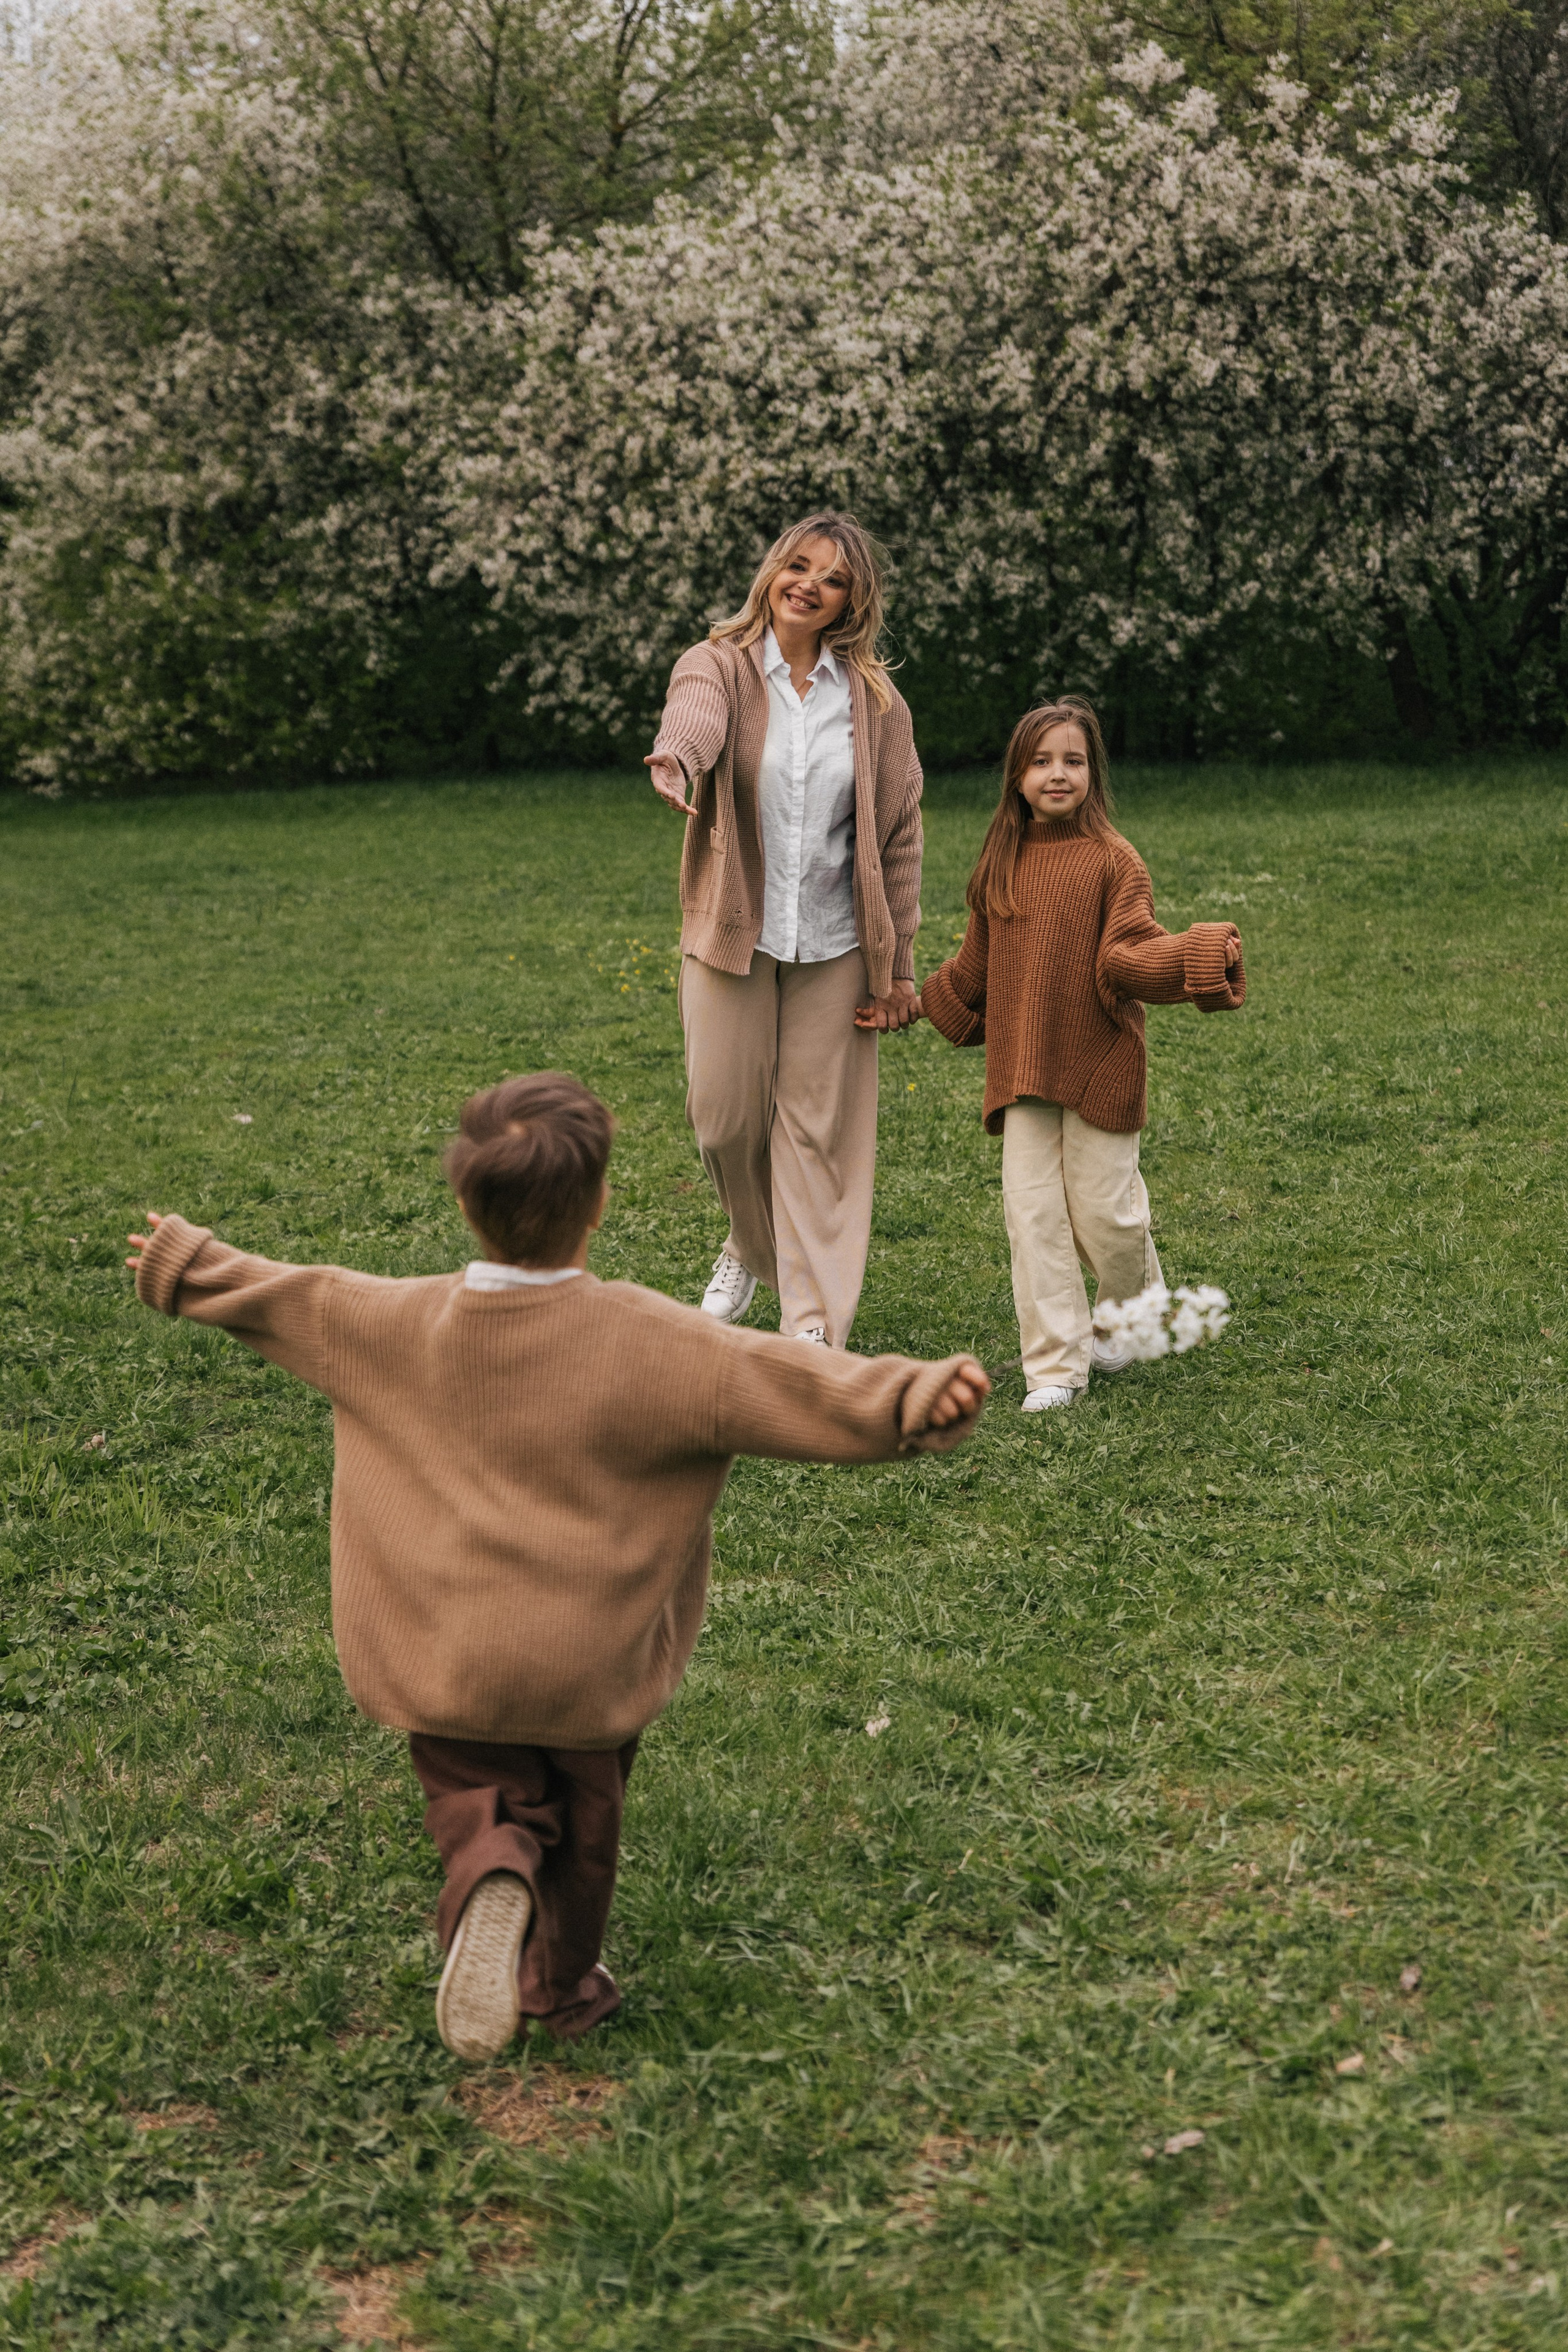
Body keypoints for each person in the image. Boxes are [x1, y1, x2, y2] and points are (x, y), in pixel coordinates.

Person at [125, 1072, 989, 2059]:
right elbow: (796, 1382)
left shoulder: (379, 1320)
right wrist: (911, 1398)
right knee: (583, 1836)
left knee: (474, 1796)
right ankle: (563, 1984)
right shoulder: (666, 1344)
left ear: (463, 1202)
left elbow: (279, 1293)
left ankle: (492, 1863)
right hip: (589, 1665)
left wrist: (185, 1264)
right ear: (601, 1205)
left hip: (449, 1661)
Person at [918, 699, 1245, 1414]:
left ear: (1093, 773)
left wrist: (1193, 956)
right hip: (1022, 1068)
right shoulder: (999, 860)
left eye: (1072, 760)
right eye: (1041, 761)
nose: (1057, 774)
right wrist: (913, 1001)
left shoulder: (1112, 860)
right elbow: (976, 971)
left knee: (1108, 1218)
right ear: (1016, 776)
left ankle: (1131, 1308)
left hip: (1099, 1062)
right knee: (1032, 1217)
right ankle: (1055, 1369)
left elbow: (1129, 952)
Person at [646, 511, 924, 1350]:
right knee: (723, 1120)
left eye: (832, 577)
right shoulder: (720, 666)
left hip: (838, 945)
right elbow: (696, 716)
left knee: (818, 1136)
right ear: (773, 572)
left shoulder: (875, 701)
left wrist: (900, 968)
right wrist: (675, 758)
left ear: (851, 600)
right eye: (798, 566)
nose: (809, 584)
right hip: (737, 932)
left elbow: (899, 833)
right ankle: (750, 1240)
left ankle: (813, 1324)